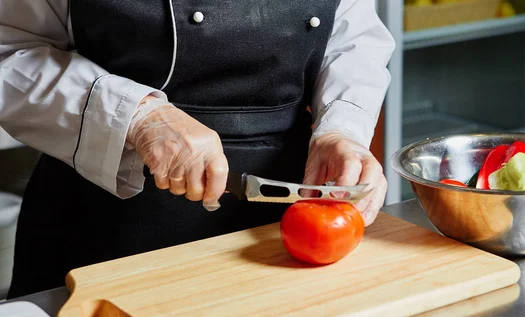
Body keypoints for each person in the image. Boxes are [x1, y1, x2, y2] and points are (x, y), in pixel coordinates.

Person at [0, 0, 395, 298]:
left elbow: (352, 34)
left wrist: (341, 129)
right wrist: (139, 117)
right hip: (105, 229)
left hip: (288, 230)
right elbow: (10, 48)